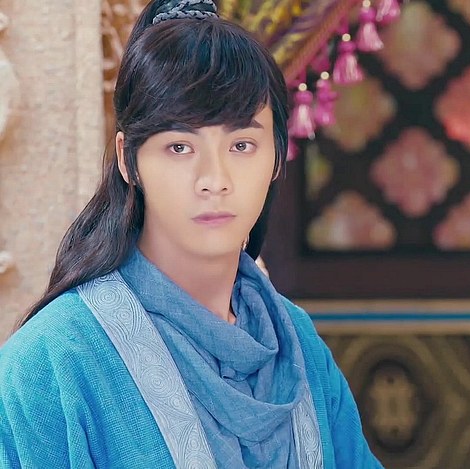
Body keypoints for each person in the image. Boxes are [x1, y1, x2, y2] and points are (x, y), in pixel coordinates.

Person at [0, 1, 382, 468]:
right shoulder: (50, 363)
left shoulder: (298, 344)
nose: (214, 179)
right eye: (179, 147)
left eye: (241, 145)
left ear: (277, 157)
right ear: (128, 161)